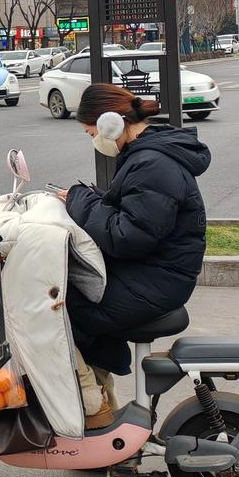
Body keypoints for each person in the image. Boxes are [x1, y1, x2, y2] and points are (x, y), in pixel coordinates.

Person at [55, 84, 210, 428]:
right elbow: (130, 211)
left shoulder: (153, 163)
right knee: (76, 301)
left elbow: (127, 236)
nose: (93, 139)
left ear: (111, 123)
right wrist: (89, 199)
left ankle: (87, 405)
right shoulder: (147, 155)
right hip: (153, 272)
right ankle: (98, 407)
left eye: (91, 132)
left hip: (156, 279)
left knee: (57, 312)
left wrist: (82, 201)